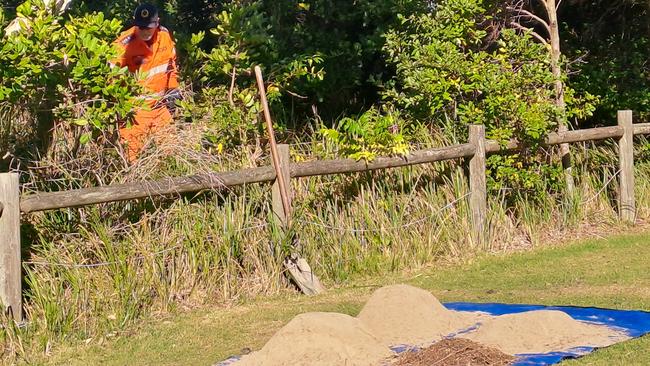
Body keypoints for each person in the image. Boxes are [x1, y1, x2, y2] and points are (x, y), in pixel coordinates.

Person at [112, 3, 182, 162]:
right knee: (131, 158)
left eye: (148, 28)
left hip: (160, 108)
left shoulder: (164, 37)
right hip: (136, 112)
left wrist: (173, 90)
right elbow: (110, 77)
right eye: (141, 27)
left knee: (171, 154)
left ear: (157, 23)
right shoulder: (123, 44)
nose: (144, 31)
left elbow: (171, 65)